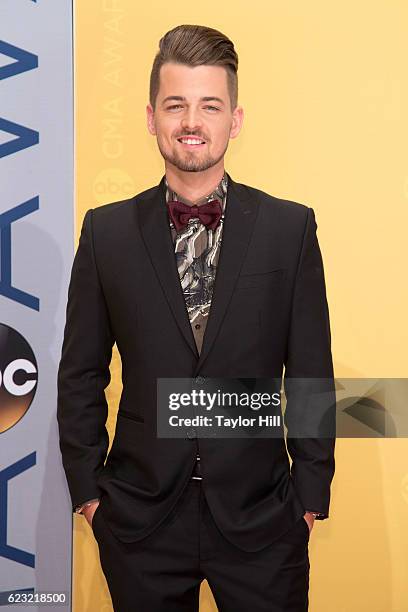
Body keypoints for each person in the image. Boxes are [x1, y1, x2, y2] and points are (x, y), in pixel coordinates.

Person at [57, 23, 336, 612]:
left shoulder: (290, 231)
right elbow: (80, 373)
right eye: (175, 105)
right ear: (152, 116)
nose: (192, 122)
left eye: (209, 106)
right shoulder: (105, 233)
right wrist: (89, 491)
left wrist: (310, 491)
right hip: (140, 522)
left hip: (264, 520)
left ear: (234, 119)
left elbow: (311, 372)